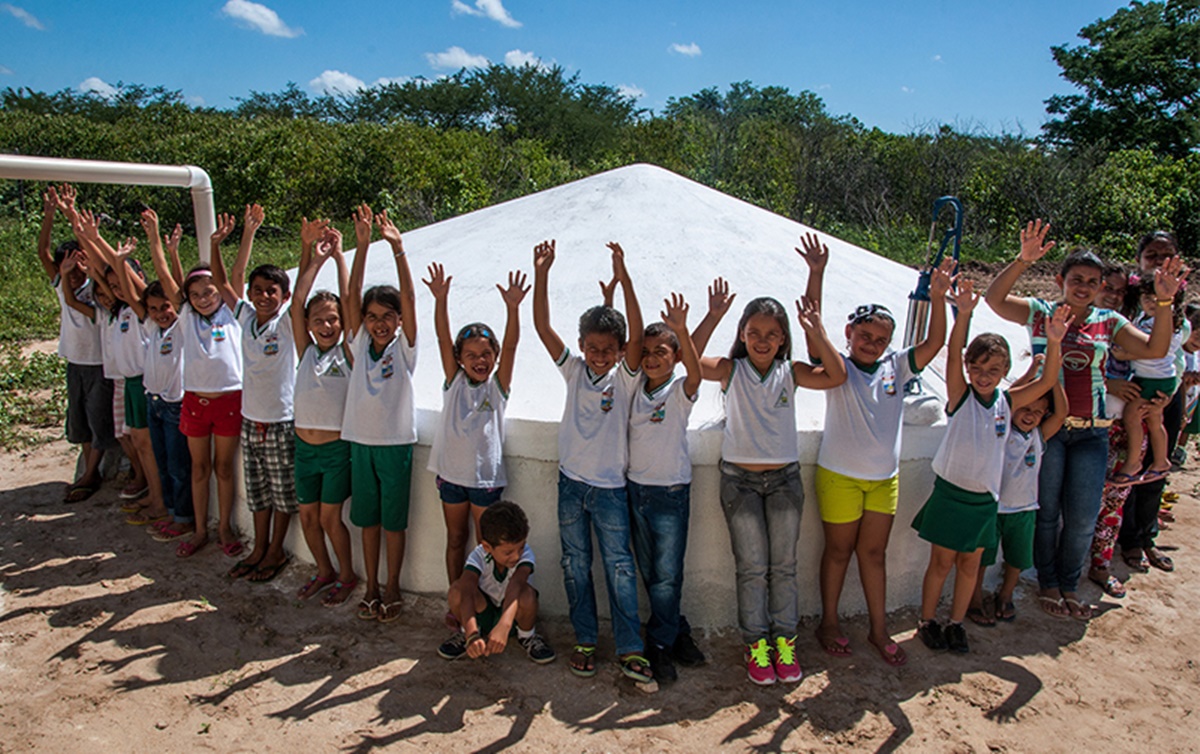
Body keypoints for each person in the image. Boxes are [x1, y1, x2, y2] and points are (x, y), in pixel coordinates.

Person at [984, 220, 1186, 619]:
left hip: (1093, 432)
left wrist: (1164, 303)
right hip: (1050, 431)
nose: (1084, 287)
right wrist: (1023, 261)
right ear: (1060, 280)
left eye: (1092, 282)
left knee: (1081, 516)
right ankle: (1048, 583)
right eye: (1076, 278)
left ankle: (1070, 583)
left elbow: (1156, 348)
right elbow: (994, 299)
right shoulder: (1041, 313)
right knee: (1046, 513)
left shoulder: (1108, 322)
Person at [699, 285, 847, 686]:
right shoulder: (732, 371)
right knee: (751, 569)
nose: (762, 341)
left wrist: (817, 330)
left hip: (784, 481)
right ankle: (757, 645)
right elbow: (688, 361)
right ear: (742, 335)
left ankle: (785, 642)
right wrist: (712, 315)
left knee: (783, 568)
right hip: (739, 483)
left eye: (771, 333)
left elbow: (837, 375)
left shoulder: (792, 372)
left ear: (783, 338)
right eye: (753, 332)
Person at [814, 254, 953, 668]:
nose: (872, 345)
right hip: (839, 477)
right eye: (865, 336)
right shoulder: (836, 366)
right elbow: (812, 330)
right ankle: (829, 622)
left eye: (880, 339)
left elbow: (934, 344)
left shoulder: (896, 366)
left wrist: (940, 298)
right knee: (838, 552)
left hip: (883, 480)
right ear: (849, 334)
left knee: (874, 555)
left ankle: (878, 629)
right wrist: (817, 274)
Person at [914, 280, 1067, 653]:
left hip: (985, 501)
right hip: (951, 496)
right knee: (941, 564)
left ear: (1005, 371)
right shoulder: (960, 396)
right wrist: (963, 314)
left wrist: (1055, 340)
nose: (985, 374)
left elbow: (1048, 380)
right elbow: (951, 354)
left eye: (994, 368)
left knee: (970, 566)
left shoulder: (1008, 401)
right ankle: (927, 620)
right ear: (968, 367)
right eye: (978, 366)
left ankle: (955, 623)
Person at [532, 238, 650, 684]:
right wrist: (542, 273)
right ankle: (584, 638)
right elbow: (543, 327)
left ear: (621, 351)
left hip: (610, 491)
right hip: (570, 486)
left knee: (620, 567)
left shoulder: (624, 380)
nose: (599, 355)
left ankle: (630, 647)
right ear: (582, 345)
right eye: (592, 347)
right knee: (574, 564)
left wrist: (626, 278)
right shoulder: (575, 370)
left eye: (609, 349)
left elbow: (637, 333)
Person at [624, 286, 725, 683]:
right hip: (636, 490)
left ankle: (660, 646)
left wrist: (688, 328)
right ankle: (677, 630)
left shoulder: (680, 390)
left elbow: (694, 368)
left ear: (675, 358)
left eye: (661, 353)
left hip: (670, 494)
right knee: (652, 573)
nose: (651, 359)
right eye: (647, 353)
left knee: (667, 574)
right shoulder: (634, 389)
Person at [423, 260, 528, 623]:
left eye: (486, 354)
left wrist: (513, 310)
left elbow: (512, 346)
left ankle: (486, 605)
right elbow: (440, 336)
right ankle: (459, 599)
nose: (480, 360)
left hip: (485, 481)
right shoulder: (453, 383)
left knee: (486, 549)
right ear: (458, 359)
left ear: (495, 358)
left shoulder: (496, 390)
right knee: (455, 541)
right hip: (451, 477)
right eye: (471, 355)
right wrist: (441, 300)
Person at [211, 204, 297, 583]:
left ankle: (276, 550)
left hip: (280, 422)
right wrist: (234, 238)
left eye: (272, 292)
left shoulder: (288, 324)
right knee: (259, 493)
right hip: (251, 421)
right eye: (258, 291)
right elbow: (226, 277)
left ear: (285, 295)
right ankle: (259, 548)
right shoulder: (245, 318)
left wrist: (309, 252)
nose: (264, 297)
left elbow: (304, 285)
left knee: (283, 496)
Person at [340, 205, 418, 624]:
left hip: (395, 447)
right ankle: (370, 584)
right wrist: (362, 247)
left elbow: (409, 298)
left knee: (393, 524)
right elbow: (351, 296)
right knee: (366, 522)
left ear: (399, 320)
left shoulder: (404, 350)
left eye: (387, 317)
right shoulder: (358, 344)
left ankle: (391, 585)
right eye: (372, 318)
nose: (379, 324)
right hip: (361, 444)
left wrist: (398, 250)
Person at [289, 221, 359, 607]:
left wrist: (338, 256)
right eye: (319, 321)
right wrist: (312, 260)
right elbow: (296, 304)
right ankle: (324, 570)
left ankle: (347, 575)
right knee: (308, 517)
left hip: (335, 451)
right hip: (304, 448)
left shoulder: (347, 352)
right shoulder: (307, 352)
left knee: (332, 518)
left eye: (332, 319)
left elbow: (349, 300)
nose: (327, 325)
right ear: (309, 327)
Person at [969, 356, 1068, 625]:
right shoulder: (1002, 430)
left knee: (1017, 557)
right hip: (995, 508)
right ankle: (974, 598)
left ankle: (1005, 594)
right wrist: (1033, 373)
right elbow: (1009, 398)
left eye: (1038, 412)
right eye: (1026, 409)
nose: (1030, 415)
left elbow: (1060, 414)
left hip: (1025, 509)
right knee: (982, 559)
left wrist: (1055, 378)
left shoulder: (1039, 436)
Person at [1120, 231, 1191, 574]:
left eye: (1167, 255)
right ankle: (1126, 539)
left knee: (1153, 466)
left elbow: (1181, 345)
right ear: (1140, 259)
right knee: (1126, 460)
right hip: (1131, 388)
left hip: (1166, 391)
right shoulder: (1130, 298)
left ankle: (1144, 537)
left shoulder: (1175, 299)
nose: (1159, 261)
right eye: (1152, 254)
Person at [36, 185, 113, 503]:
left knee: (97, 418)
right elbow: (43, 253)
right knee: (79, 418)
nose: (75, 270)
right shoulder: (60, 283)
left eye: (79, 264)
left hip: (99, 363)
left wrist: (74, 217)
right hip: (75, 362)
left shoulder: (95, 289)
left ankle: (91, 473)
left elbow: (98, 264)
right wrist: (50, 215)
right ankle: (89, 468)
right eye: (68, 264)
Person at [135, 208, 195, 543]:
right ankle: (170, 511)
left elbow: (178, 288)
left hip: (175, 406)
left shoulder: (184, 327)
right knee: (162, 463)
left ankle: (184, 517)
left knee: (178, 466)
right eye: (154, 309)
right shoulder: (151, 326)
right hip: (153, 401)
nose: (160, 313)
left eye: (166, 307)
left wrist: (160, 243)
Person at [436, 501, 556, 664]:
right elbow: (466, 591)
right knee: (457, 590)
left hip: (513, 617)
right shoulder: (478, 556)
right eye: (508, 552)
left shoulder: (526, 555)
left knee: (527, 594)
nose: (516, 556)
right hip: (485, 612)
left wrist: (504, 626)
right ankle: (467, 635)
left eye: (520, 548)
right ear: (486, 546)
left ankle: (527, 636)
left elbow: (516, 586)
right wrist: (471, 634)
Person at [1113, 277, 1186, 484]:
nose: (1152, 302)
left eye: (1157, 298)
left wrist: (1125, 355)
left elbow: (1154, 351)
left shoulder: (1160, 322)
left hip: (1153, 379)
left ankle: (1133, 463)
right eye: (1147, 297)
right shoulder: (1154, 319)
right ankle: (1161, 461)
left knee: (1132, 415)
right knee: (1154, 419)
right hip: (1159, 378)